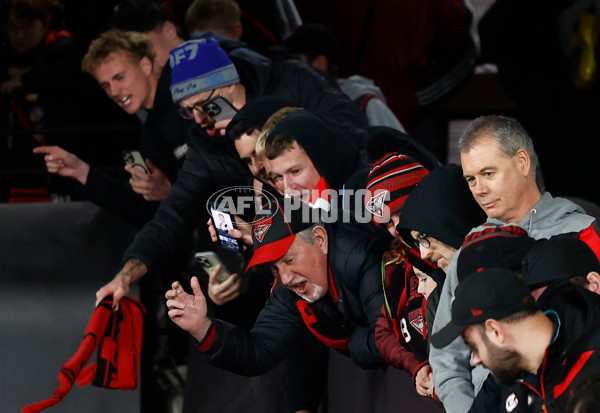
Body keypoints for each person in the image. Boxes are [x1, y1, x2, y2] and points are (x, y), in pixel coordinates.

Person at [428, 115, 595, 413]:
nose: (478, 188)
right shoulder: (471, 247)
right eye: (471, 179)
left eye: (488, 173)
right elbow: (445, 351)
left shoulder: (584, 232)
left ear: (522, 162)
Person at [166, 197, 390, 371]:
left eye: (289, 260)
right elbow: (259, 353)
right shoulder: (287, 290)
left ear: (320, 239)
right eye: (274, 268)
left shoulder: (360, 254)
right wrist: (203, 329)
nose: (285, 278)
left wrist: (355, 344)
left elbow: (389, 338)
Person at [34, 29, 188, 226]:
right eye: (106, 85)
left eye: (119, 77)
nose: (114, 92)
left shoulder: (187, 107)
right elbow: (142, 208)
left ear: (145, 65)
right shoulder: (148, 132)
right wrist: (81, 171)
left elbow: (224, 178)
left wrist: (170, 192)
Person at [375, 163, 485, 398]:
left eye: (401, 214)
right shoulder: (395, 264)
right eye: (387, 223)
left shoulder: (496, 258)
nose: (395, 230)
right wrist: (419, 366)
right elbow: (383, 332)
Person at [431, 267, 600, 413]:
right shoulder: (516, 377)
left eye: (474, 346)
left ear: (495, 331)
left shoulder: (593, 360)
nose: (476, 360)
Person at [282, 23, 408, 132]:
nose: (285, 68)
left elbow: (403, 155)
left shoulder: (362, 101)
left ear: (319, 64)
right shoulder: (291, 105)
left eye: (294, 61)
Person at [262, 107, 368, 210]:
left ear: (323, 159)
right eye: (279, 176)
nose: (288, 189)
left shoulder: (368, 190)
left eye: (295, 171)